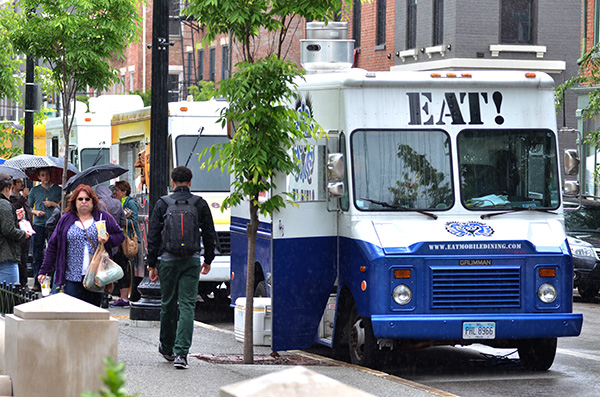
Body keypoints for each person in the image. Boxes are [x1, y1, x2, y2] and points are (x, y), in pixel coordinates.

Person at [146, 166, 216, 370]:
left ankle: (166, 346)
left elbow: (153, 235)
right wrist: (208, 259)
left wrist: (152, 263)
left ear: (172, 182)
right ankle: (181, 353)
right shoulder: (199, 203)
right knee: (187, 305)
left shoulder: (163, 203)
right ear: (190, 182)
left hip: (168, 260)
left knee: (168, 304)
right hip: (191, 260)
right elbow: (209, 233)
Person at [37, 184, 124, 306]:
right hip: (72, 277)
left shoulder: (102, 216)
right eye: (80, 199)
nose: (84, 202)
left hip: (96, 277)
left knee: (92, 316)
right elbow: (53, 246)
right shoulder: (66, 219)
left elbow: (120, 236)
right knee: (73, 315)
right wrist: (45, 271)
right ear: (74, 201)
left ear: (93, 201)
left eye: (87, 199)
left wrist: (108, 239)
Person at [28, 167, 61, 291]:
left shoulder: (58, 190)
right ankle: (37, 282)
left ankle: (52, 281)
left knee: (53, 253)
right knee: (37, 254)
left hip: (53, 225)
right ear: (39, 177)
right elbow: (28, 207)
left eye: (47, 175)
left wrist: (53, 204)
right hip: (39, 224)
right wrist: (36, 212)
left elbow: (64, 205)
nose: (45, 177)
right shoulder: (34, 190)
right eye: (42, 175)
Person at [111, 180, 140, 307]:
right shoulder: (117, 202)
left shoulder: (131, 202)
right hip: (119, 240)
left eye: (117, 190)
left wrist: (120, 221)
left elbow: (134, 221)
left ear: (124, 191)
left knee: (124, 267)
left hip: (126, 240)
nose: (114, 192)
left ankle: (124, 298)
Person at [0, 174, 33, 285]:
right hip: (6, 256)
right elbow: (8, 229)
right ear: (7, 188)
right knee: (9, 295)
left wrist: (14, 217)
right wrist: (23, 234)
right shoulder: (4, 204)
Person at [9, 178, 33, 287]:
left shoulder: (24, 198)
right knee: (19, 259)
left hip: (27, 231)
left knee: (25, 258)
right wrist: (23, 197)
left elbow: (28, 211)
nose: (22, 184)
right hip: (17, 232)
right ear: (13, 185)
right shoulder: (10, 198)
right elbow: (13, 208)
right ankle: (20, 283)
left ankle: (24, 282)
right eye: (19, 182)